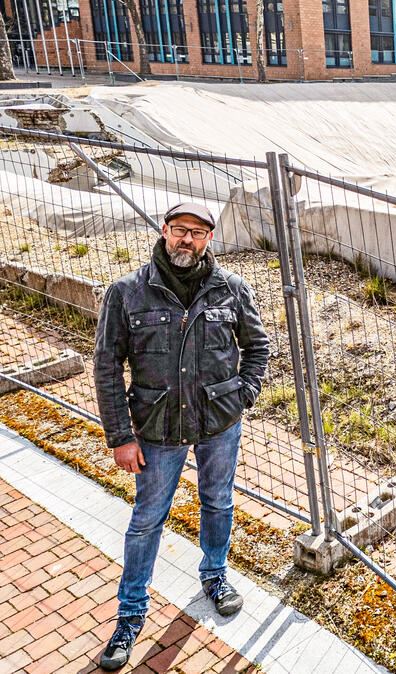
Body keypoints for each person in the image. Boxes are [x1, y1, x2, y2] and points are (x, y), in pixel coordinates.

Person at [93, 203, 270, 671]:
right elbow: (107, 366)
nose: (186, 240)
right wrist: (119, 436)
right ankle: (130, 615)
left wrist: (242, 396)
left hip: (218, 424)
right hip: (155, 429)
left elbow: (258, 347)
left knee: (218, 502)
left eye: (197, 233)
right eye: (179, 231)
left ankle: (215, 576)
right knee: (147, 519)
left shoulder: (232, 289)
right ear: (164, 232)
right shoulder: (127, 292)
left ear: (209, 239)